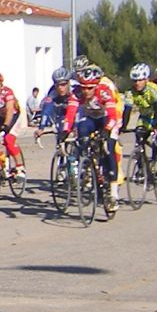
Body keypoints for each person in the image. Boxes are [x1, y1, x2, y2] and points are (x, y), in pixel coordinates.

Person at [64, 65, 120, 212]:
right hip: (91, 119)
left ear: (96, 86)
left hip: (107, 120)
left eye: (90, 88)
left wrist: (107, 130)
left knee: (109, 149)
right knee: (82, 131)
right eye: (83, 87)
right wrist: (65, 130)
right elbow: (70, 114)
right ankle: (88, 166)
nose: (86, 91)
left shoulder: (104, 92)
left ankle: (114, 194)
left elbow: (113, 116)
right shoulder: (77, 93)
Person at [121, 63, 157, 182]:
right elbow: (127, 110)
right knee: (139, 142)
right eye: (135, 81)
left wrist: (155, 125)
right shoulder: (130, 92)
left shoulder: (153, 89)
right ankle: (141, 169)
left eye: (140, 80)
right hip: (144, 118)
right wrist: (123, 126)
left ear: (146, 79)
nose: (137, 83)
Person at [35, 67, 74, 145]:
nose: (60, 88)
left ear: (69, 82)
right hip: (62, 112)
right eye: (57, 85)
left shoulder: (75, 88)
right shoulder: (53, 91)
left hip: (75, 110)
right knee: (61, 130)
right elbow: (46, 110)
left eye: (63, 84)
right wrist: (41, 127)